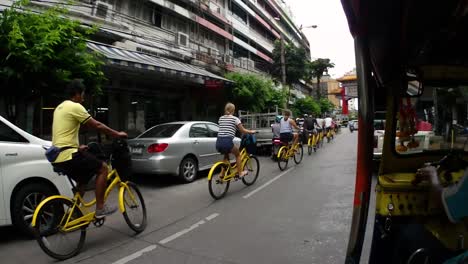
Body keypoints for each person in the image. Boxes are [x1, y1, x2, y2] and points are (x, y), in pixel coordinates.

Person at [51, 79, 127, 218]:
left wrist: (78, 146)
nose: (84, 98)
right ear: (77, 94)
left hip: (59, 155)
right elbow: (96, 125)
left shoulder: (60, 107)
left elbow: (63, 133)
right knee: (103, 168)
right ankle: (100, 208)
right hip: (68, 155)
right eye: (83, 94)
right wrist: (117, 134)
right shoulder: (75, 106)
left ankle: (74, 211)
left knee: (83, 179)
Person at [216, 103, 256, 177]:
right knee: (238, 155)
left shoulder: (221, 118)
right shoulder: (235, 119)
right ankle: (240, 173)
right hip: (227, 142)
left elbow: (225, 127)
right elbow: (242, 130)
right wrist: (251, 132)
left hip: (218, 142)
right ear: (233, 110)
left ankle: (221, 174)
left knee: (226, 156)